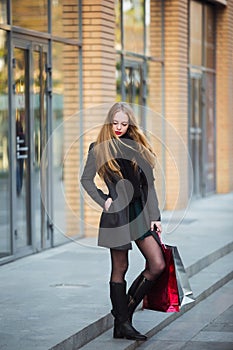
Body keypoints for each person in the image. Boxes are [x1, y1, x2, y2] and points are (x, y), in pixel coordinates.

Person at [81, 102, 165, 341]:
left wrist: (155, 217)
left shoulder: (137, 147)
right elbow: (86, 180)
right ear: (110, 122)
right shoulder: (98, 148)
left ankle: (122, 314)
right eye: (115, 122)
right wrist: (104, 201)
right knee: (120, 268)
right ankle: (124, 324)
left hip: (138, 212)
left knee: (157, 263)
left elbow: (149, 185)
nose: (119, 127)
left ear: (130, 125)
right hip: (116, 215)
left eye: (124, 123)